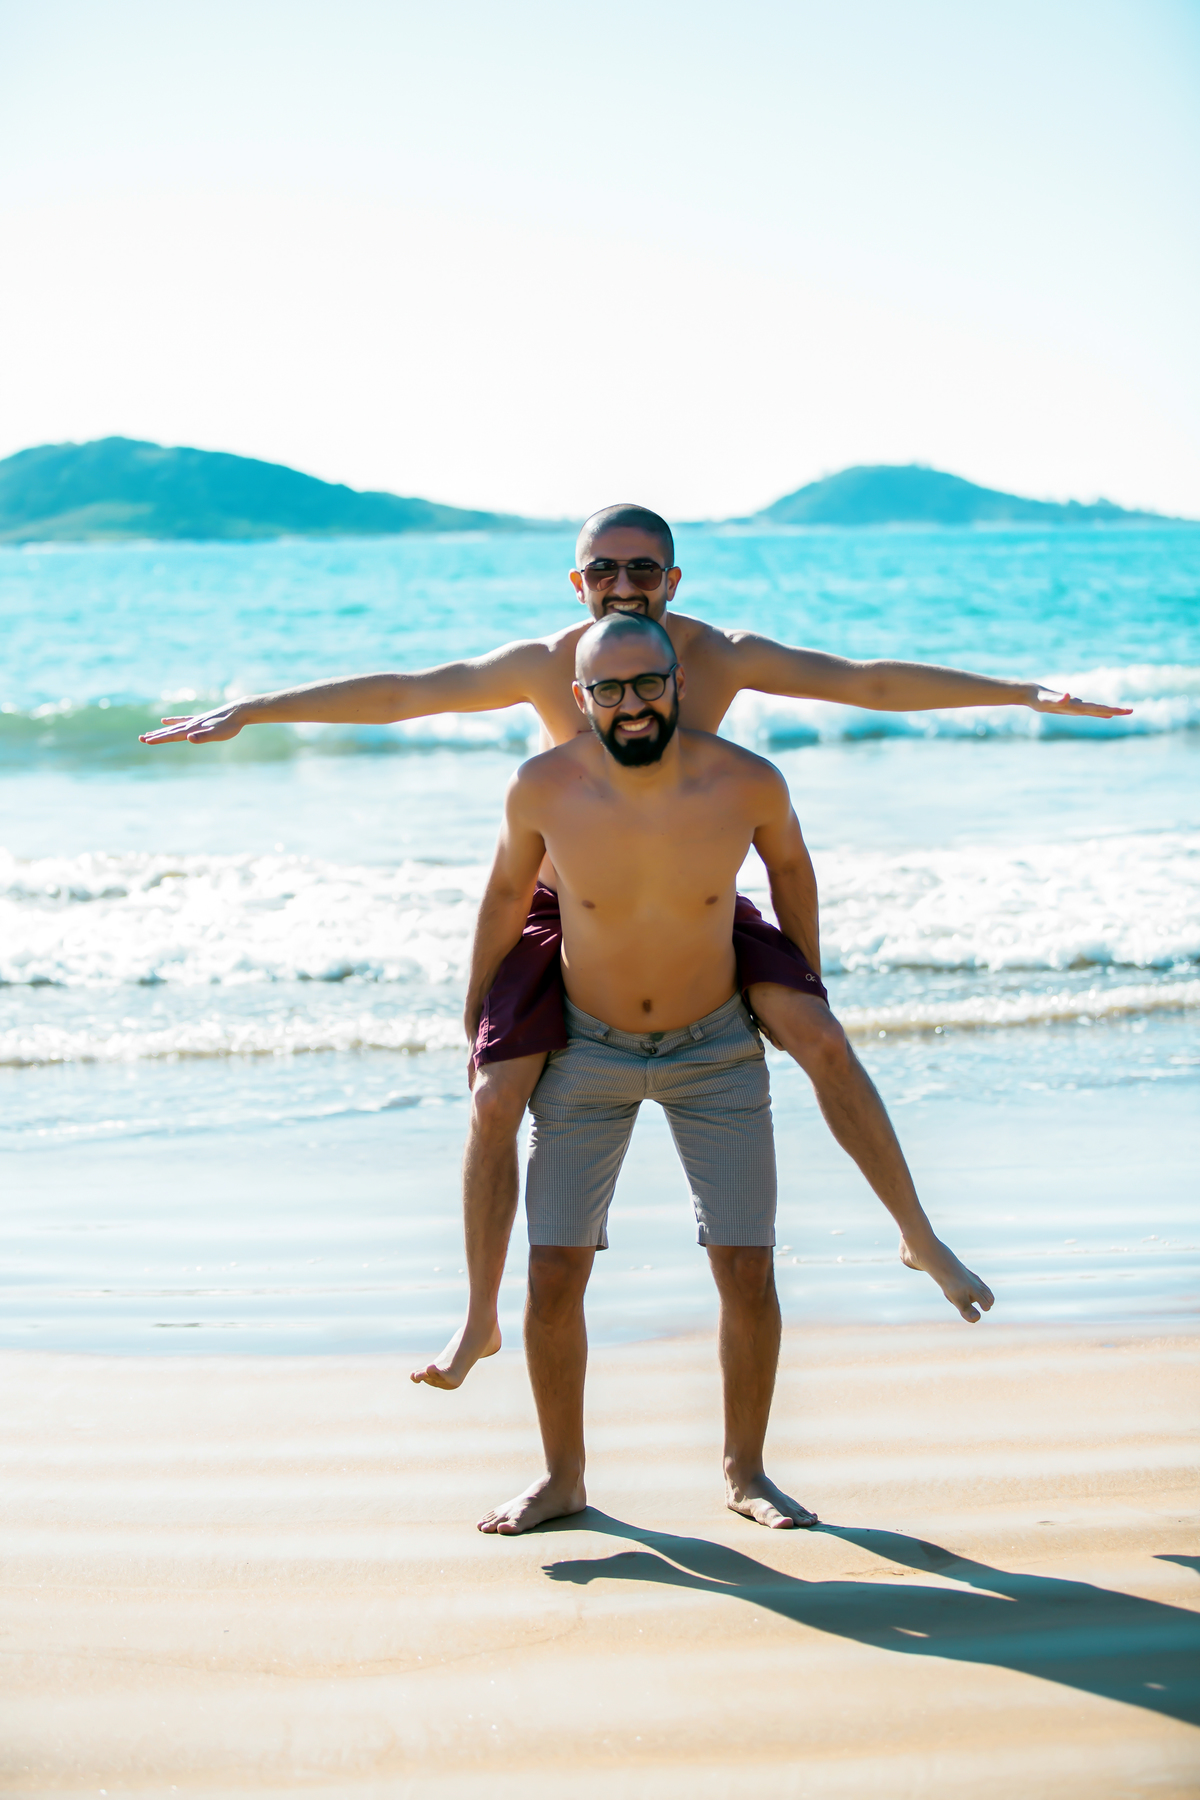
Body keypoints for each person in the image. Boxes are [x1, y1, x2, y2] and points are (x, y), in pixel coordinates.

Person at [139, 504, 1127, 1387]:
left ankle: (918, 1236)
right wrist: (258, 709)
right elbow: (410, 692)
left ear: (673, 580)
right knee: (493, 1100)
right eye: (603, 570)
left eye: (642, 569)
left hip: (699, 905)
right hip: (565, 911)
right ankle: (480, 1317)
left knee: (820, 1038)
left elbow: (864, 681)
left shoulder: (719, 654)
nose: (623, 584)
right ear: (577, 582)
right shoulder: (545, 662)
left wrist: (1025, 692)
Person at [470, 613, 990, 1534]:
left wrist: (799, 979)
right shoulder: (541, 786)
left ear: (679, 679)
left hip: (714, 1047)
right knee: (553, 1275)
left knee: (745, 1268)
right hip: (588, 1050)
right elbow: (510, 895)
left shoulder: (747, 779)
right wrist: (475, 1008)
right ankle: (563, 1478)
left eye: (649, 684)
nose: (633, 705)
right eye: (610, 690)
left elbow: (790, 870)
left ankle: (746, 1472)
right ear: (580, 699)